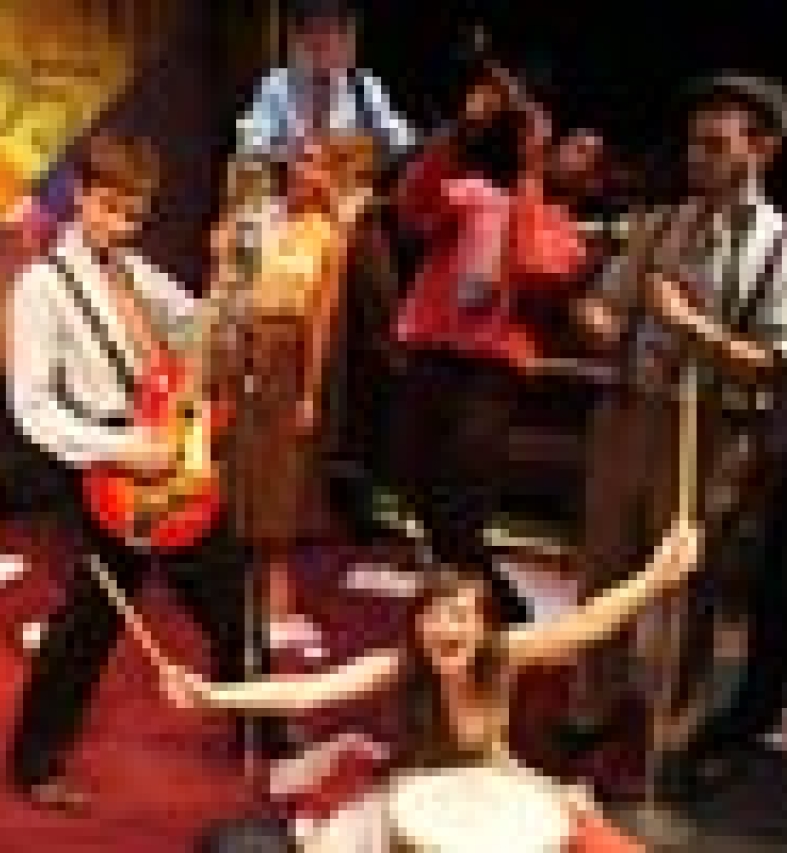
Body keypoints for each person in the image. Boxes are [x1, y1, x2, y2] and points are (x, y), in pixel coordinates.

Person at [7, 132, 286, 811]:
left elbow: (198, 332)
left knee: (233, 599)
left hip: (172, 464)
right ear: (80, 195)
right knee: (89, 624)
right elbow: (32, 408)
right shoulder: (40, 288)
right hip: (110, 472)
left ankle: (261, 727)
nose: (122, 226)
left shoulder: (136, 271)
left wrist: (228, 277)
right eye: (110, 209)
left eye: (134, 214)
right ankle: (35, 762)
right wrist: (126, 449)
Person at [158, 522, 701, 852]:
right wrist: (213, 695)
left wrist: (656, 576)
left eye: (461, 616)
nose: (447, 628)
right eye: (436, 616)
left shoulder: (503, 655)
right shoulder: (401, 667)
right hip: (413, 788)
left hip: (496, 781)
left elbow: (587, 624)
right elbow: (308, 691)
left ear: (482, 626)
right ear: (418, 625)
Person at [574, 75, 787, 764]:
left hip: (712, 432)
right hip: (631, 413)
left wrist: (690, 327)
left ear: (761, 150)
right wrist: (597, 319)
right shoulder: (660, 225)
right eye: (692, 144)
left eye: (715, 145)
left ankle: (665, 728)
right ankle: (591, 706)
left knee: (685, 584)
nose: (697, 158)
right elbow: (604, 302)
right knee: (605, 567)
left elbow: (780, 363)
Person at [387, 70, 588, 627]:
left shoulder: (566, 235)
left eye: (587, 155)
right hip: (431, 355)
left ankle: (490, 610)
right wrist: (462, 129)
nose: (574, 154)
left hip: (487, 374)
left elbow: (530, 263)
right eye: (573, 143)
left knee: (461, 499)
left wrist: (530, 167)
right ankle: (490, 600)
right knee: (411, 479)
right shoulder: (477, 194)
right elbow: (413, 206)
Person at [209, 138, 372, 654]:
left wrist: (309, 391)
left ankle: (278, 597)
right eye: (300, 160)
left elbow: (321, 321)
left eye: (315, 163)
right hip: (240, 349)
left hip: (287, 354)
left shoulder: (329, 234)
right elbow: (228, 288)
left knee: (279, 477)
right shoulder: (260, 217)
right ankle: (231, 592)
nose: (304, 171)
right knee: (235, 467)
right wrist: (222, 251)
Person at [238, 0, 415, 164]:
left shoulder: (364, 87)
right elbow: (248, 147)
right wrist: (293, 153)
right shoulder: (276, 86)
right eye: (312, 32)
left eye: (333, 32)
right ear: (297, 41)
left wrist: (360, 150)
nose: (323, 43)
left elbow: (405, 144)